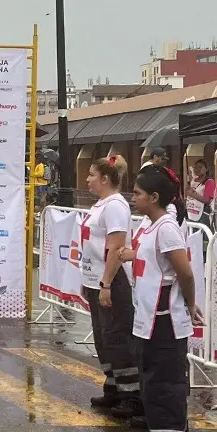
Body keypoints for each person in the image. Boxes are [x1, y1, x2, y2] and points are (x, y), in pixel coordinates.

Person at [117, 166, 202, 432]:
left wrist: (189, 304)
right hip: (148, 321)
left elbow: (185, 273)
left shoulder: (166, 227)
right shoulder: (150, 227)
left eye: (137, 193)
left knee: (165, 387)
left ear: (154, 197)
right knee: (152, 386)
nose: (133, 198)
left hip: (164, 323)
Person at [76, 155, 140, 417]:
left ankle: (132, 396)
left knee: (117, 337)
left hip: (111, 280)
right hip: (97, 279)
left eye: (91, 175)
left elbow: (115, 247)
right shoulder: (102, 204)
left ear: (105, 178)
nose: (88, 179)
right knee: (104, 338)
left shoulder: (115, 206)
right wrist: (89, 281)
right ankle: (113, 388)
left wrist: (106, 284)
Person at [185, 159, 215, 226]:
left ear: (206, 169)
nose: (197, 169)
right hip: (190, 213)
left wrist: (192, 194)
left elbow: (207, 200)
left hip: (202, 215)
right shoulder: (192, 181)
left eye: (200, 167)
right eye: (195, 167)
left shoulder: (209, 182)